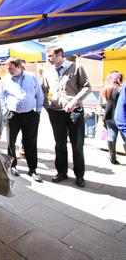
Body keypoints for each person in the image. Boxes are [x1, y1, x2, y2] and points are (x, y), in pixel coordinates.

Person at [42, 46, 91, 188]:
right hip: (56, 112)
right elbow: (43, 90)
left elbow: (87, 87)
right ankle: (61, 173)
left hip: (74, 111)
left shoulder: (76, 68)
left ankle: (79, 176)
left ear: (60, 54)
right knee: (59, 144)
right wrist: (47, 106)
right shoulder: (48, 72)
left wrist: (75, 101)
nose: (48, 59)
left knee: (77, 145)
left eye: (51, 56)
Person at [0, 58, 44, 182]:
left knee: (31, 142)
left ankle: (33, 169)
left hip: (30, 114)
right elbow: (1, 96)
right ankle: (12, 166)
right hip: (12, 115)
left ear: (19, 66)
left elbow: (39, 94)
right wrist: (4, 111)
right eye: (7, 68)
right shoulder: (5, 80)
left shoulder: (32, 77)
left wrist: (38, 111)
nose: (9, 71)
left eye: (11, 68)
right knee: (10, 142)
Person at [101, 71, 125, 164]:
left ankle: (112, 157)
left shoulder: (105, 88)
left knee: (111, 135)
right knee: (124, 137)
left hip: (109, 116)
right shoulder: (120, 89)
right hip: (120, 116)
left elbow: (103, 104)